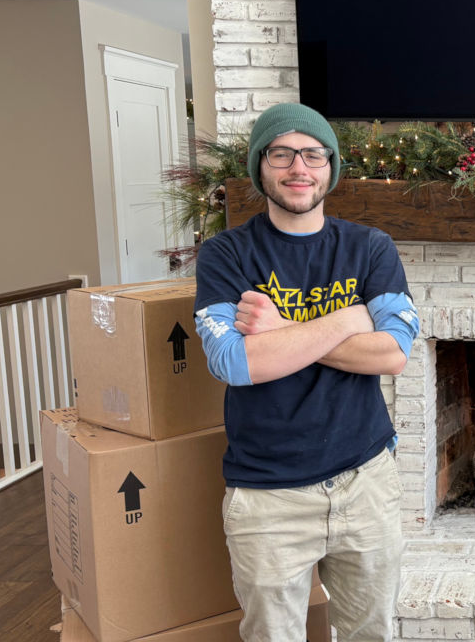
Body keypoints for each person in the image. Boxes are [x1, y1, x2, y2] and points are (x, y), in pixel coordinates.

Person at [193, 102, 419, 641]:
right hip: (266, 496)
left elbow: (393, 354)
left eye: (314, 154)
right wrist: (347, 319)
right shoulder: (226, 254)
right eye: (281, 154)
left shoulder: (370, 247)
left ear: (330, 167)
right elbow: (234, 363)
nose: (299, 168)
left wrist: (281, 329)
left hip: (365, 481)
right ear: (261, 166)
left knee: (372, 634)